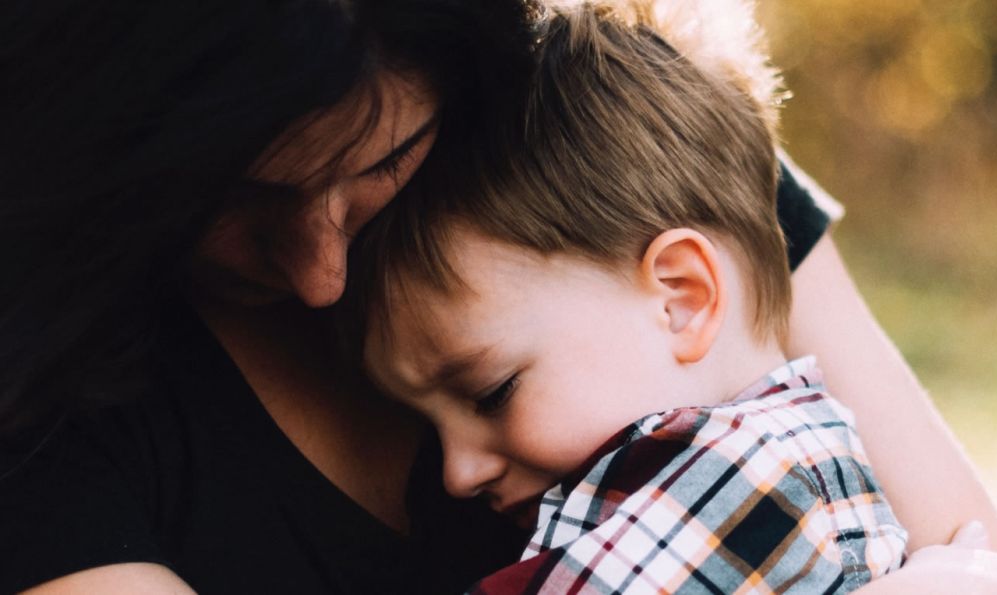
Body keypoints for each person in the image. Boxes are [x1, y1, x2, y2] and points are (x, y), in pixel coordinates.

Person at [0, 0, 997, 593]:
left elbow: (965, 561)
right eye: (224, 197)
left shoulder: (620, 156)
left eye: (378, 168)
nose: (320, 273)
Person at [346, 1, 908, 591]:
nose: (457, 473)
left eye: (492, 394)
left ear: (682, 299)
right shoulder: (788, 455)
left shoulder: (738, 484)